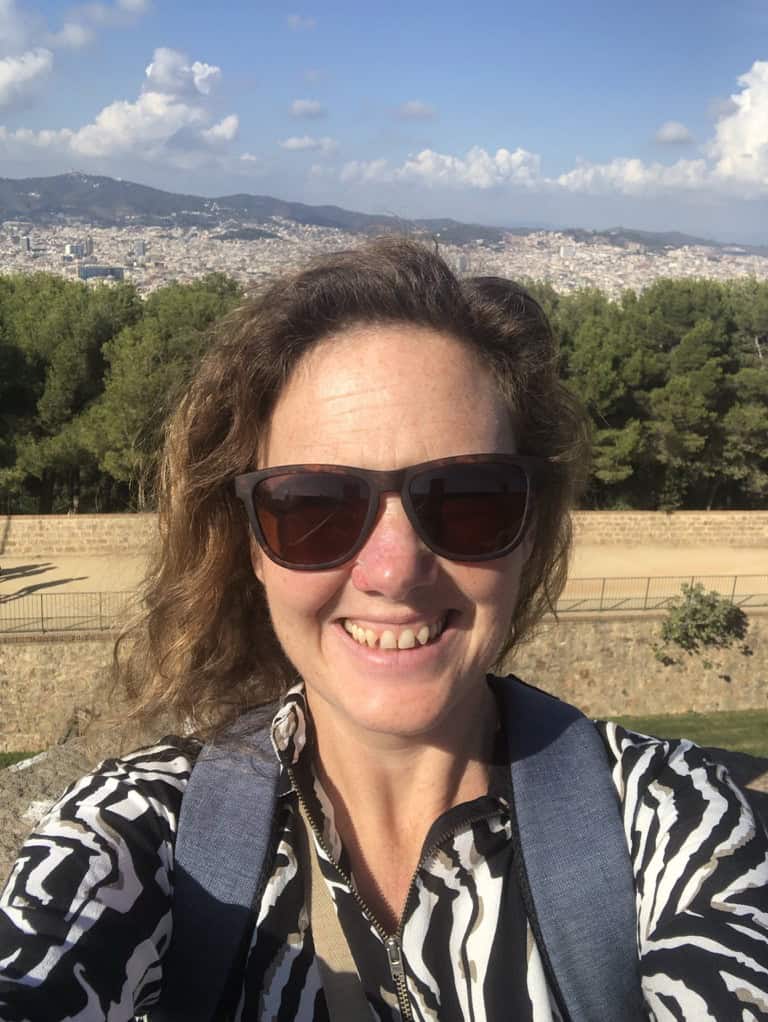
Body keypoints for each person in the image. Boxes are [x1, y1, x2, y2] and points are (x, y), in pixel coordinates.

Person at [0, 238, 766, 1021]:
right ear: (251, 547)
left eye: (468, 497)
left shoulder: (689, 832)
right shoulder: (130, 841)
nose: (395, 571)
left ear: (531, 530)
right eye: (313, 508)